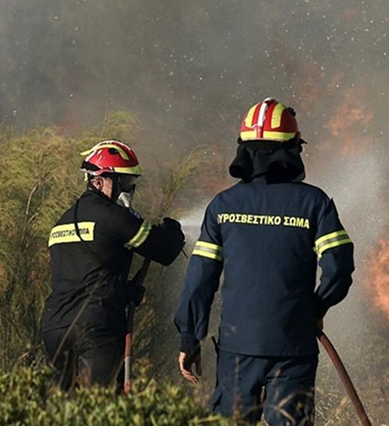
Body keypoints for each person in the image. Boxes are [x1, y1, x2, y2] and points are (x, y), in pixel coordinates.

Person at [174, 98, 355, 425]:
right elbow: (339, 269)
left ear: (244, 148)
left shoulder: (222, 206)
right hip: (294, 348)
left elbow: (200, 278)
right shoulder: (314, 203)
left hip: (237, 351)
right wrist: (316, 308)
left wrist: (190, 337)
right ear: (292, 148)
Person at [42, 139, 185, 392]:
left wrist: (123, 290)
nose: (128, 190)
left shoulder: (62, 221)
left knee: (64, 410)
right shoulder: (113, 216)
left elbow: (87, 274)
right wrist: (173, 232)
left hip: (55, 329)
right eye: (125, 182)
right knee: (101, 406)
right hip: (96, 328)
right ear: (99, 180)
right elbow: (165, 250)